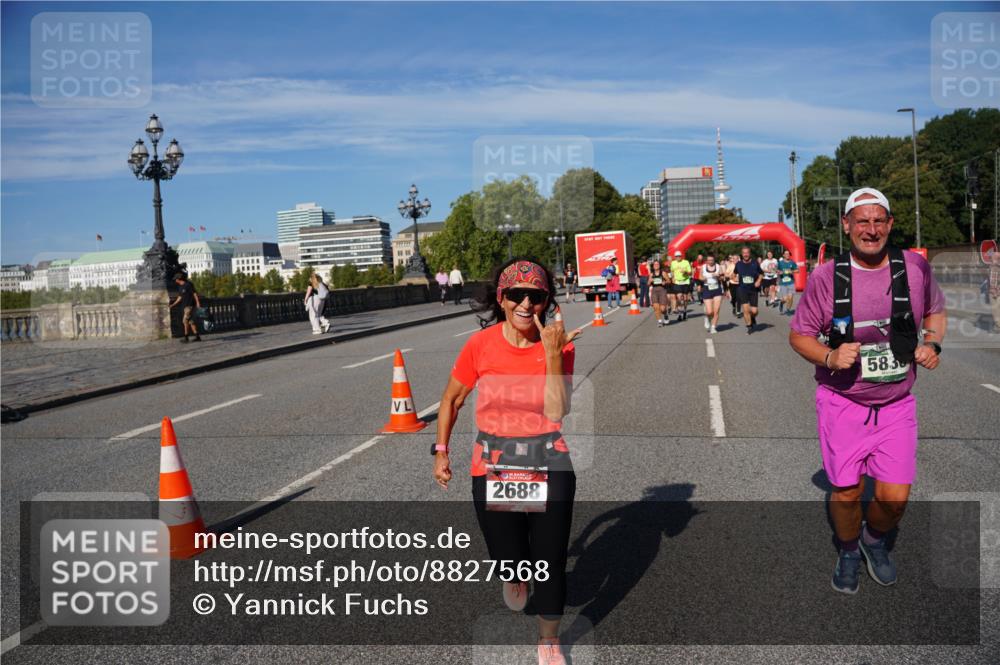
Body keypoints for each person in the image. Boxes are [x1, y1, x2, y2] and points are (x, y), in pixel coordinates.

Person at [789, 187, 946, 595]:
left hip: (896, 403)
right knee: (848, 490)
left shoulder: (914, 267)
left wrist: (932, 344)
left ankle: (873, 541)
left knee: (894, 499)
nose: (871, 229)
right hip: (843, 401)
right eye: (862, 221)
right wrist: (828, 358)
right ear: (847, 225)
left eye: (879, 221)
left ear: (890, 224)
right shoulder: (827, 277)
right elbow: (799, 336)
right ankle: (847, 550)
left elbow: (935, 310)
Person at [433, 258, 581, 665]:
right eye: (516, 294)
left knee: (549, 560)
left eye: (536, 296)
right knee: (508, 557)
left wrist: (553, 353)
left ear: (546, 300)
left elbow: (557, 411)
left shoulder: (559, 344)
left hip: (549, 461)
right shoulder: (480, 346)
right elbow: (452, 399)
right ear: (501, 298)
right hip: (493, 465)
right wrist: (441, 451)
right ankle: (514, 572)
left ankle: (548, 641)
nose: (526, 303)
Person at [734, 247, 762, 334]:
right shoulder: (738, 264)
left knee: (754, 311)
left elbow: (761, 274)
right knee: (745, 309)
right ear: (742, 254)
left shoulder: (755, 263)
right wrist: (734, 278)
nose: (745, 255)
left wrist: (758, 281)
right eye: (744, 253)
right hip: (743, 289)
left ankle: (752, 317)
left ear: (749, 253)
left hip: (753, 290)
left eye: (747, 253)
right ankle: (749, 326)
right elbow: (734, 274)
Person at [169, 273, 202, 342]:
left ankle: (186, 337)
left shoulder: (188, 284)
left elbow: (194, 294)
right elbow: (180, 297)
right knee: (191, 322)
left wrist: (198, 302)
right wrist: (173, 305)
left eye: (175, 279)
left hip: (189, 306)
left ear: (178, 279)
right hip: (184, 307)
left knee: (185, 321)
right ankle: (197, 336)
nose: (175, 280)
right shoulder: (180, 287)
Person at [700, 253, 724, 333]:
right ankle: (707, 318)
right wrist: (704, 278)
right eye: (709, 260)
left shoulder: (718, 266)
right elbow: (700, 277)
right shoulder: (703, 267)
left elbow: (722, 277)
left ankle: (713, 327)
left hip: (717, 289)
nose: (710, 261)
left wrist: (718, 276)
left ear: (714, 260)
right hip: (707, 288)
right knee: (710, 311)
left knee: (716, 310)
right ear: (706, 261)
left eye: (712, 260)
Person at [669, 250, 692, 321]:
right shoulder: (673, 263)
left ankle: (684, 312)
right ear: (675, 257)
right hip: (677, 282)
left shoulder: (686, 262)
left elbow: (690, 273)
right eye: (676, 256)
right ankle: (679, 314)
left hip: (685, 282)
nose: (678, 257)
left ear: (681, 256)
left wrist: (685, 272)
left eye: (679, 256)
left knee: (685, 299)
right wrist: (672, 278)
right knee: (679, 297)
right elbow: (672, 271)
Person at [649, 259, 670, 327]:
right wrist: (650, 281)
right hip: (654, 290)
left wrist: (665, 282)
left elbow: (669, 281)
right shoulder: (651, 274)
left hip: (662, 290)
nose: (656, 265)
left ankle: (665, 314)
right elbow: (648, 284)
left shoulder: (663, 273)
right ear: (653, 266)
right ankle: (659, 321)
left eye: (657, 264)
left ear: (659, 265)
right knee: (656, 307)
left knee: (662, 308)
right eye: (655, 264)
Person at [777, 249, 798, 315]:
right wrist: (779, 272)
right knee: (785, 299)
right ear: (783, 255)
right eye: (786, 254)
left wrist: (791, 271)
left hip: (791, 282)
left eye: (788, 254)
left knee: (791, 297)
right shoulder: (780, 263)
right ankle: (781, 303)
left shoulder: (792, 262)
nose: (787, 255)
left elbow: (797, 270)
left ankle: (788, 309)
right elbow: (776, 270)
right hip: (783, 283)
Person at [990, 251, 1000, 333]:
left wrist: (994, 292)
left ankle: (998, 326)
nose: (991, 257)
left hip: (995, 291)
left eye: (992, 256)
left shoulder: (994, 266)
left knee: (995, 309)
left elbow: (994, 280)